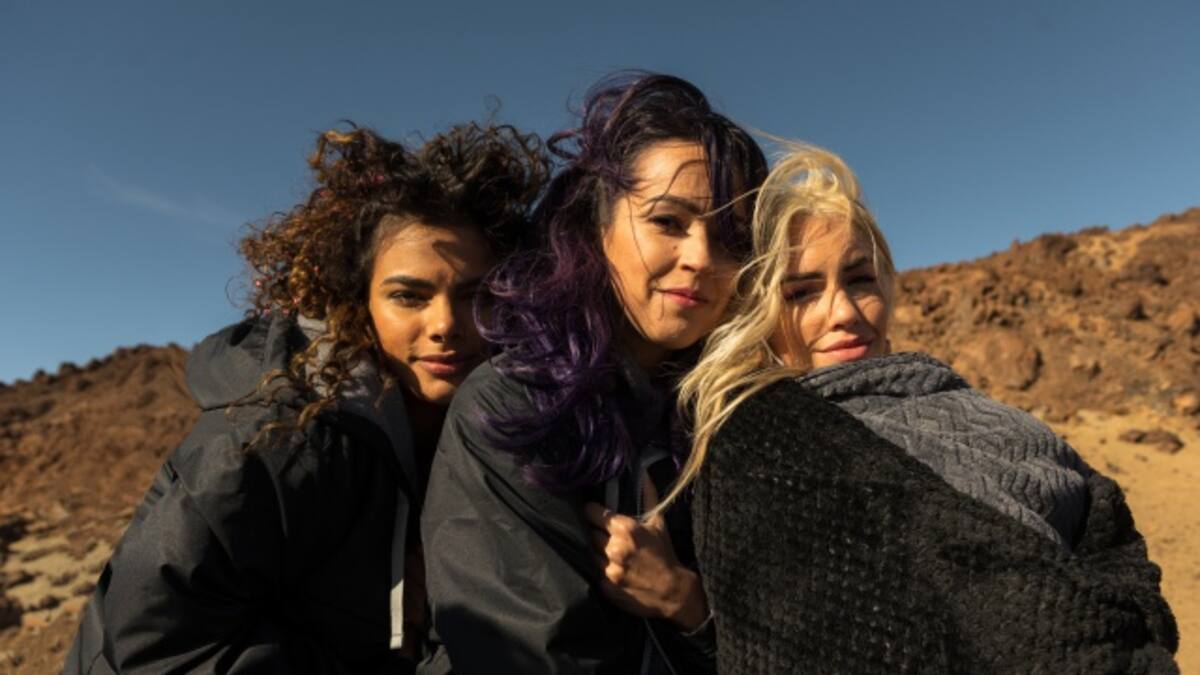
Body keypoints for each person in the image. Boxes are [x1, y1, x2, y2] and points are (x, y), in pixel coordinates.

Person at [661, 143, 1180, 673]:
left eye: (860, 279)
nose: (843, 312)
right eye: (801, 292)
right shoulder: (758, 451)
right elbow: (775, 641)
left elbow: (1114, 550)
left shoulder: (989, 418)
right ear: (757, 310)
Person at [64, 122, 549, 673]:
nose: (445, 324)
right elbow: (156, 647)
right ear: (357, 303)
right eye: (408, 296)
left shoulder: (491, 434)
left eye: (475, 295)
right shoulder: (283, 439)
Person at [417, 72, 768, 674]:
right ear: (598, 228)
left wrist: (690, 607)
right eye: (668, 221)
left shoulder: (733, 417)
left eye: (732, 238)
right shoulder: (512, 409)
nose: (701, 258)